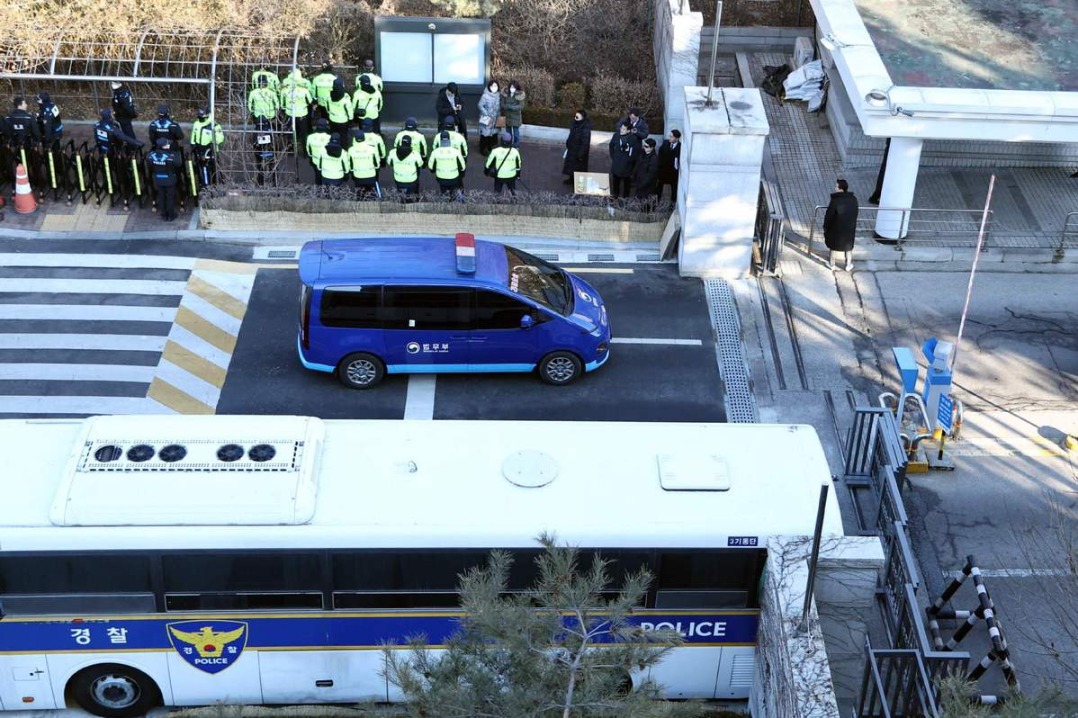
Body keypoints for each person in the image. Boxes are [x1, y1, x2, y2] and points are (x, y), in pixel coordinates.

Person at [823, 178, 859, 271]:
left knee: (833, 246)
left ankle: (832, 264)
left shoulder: (835, 201)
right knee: (848, 246)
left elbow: (829, 215)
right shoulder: (853, 199)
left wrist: (826, 226)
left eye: (836, 186)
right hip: (849, 227)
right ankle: (848, 264)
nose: (835, 187)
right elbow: (855, 211)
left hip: (836, 228)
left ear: (840, 189)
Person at [280, 68, 314, 155]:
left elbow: (282, 104)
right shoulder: (304, 90)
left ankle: (290, 151)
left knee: (290, 134)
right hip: (302, 115)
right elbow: (309, 102)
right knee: (304, 134)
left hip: (290, 114)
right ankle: (306, 152)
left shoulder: (284, 90)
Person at [147, 137, 181, 221]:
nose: (169, 145)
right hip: (170, 179)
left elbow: (149, 163)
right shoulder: (171, 156)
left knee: (161, 196)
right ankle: (171, 215)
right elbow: (178, 163)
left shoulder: (151, 155)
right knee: (170, 197)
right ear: (164, 146)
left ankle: (164, 215)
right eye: (167, 144)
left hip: (158, 179)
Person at [190, 107, 224, 187]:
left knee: (215, 170)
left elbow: (220, 138)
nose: (200, 118)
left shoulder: (214, 125)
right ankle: (206, 186)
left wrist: (211, 139)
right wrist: (193, 145)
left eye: (202, 117)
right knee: (203, 169)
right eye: (199, 116)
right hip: (199, 150)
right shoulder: (196, 124)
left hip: (211, 151)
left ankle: (216, 185)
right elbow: (193, 136)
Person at [427, 131, 466, 196]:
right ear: (449, 139)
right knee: (453, 193)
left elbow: (431, 168)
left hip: (441, 178)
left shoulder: (435, 152)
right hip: (454, 178)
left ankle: (446, 199)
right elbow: (462, 167)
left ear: (440, 140)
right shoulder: (456, 151)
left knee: (444, 193)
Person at [608, 120, 639, 199]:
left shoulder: (633, 139)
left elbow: (634, 152)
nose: (621, 130)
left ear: (628, 131)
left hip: (627, 164)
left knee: (626, 182)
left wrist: (629, 160)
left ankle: (625, 198)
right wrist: (613, 156)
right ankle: (615, 195)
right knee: (615, 180)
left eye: (624, 129)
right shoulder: (616, 135)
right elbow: (611, 146)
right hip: (617, 161)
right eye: (621, 128)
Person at [348, 128, 381, 198]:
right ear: (364, 138)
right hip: (371, 176)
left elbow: (350, 165)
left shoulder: (350, 150)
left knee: (359, 196)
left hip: (358, 176)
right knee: (373, 196)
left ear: (355, 139)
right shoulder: (372, 149)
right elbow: (377, 164)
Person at [485, 131, 521, 195]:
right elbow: (518, 166)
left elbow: (488, 165)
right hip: (511, 176)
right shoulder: (515, 151)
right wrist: (518, 175)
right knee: (513, 192)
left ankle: (496, 203)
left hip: (499, 176)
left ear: (501, 140)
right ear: (510, 141)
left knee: (497, 193)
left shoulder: (495, 151)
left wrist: (486, 172)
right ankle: (514, 203)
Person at [561, 109, 591, 184]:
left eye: (577, 117)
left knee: (578, 167)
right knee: (572, 166)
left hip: (579, 151)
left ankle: (577, 183)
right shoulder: (575, 124)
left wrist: (581, 154)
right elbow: (571, 135)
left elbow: (585, 142)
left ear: (582, 118)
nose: (575, 118)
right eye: (575, 116)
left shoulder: (585, 128)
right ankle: (571, 179)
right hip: (572, 149)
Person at [477, 79, 501, 157]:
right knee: (485, 134)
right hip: (487, 118)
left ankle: (491, 147)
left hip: (496, 118)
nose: (494, 87)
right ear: (489, 87)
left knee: (493, 133)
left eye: (495, 86)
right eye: (492, 86)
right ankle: (483, 149)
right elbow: (480, 105)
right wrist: (486, 114)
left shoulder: (498, 95)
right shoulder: (485, 95)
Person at [656, 129, 681, 202]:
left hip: (673, 173)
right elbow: (660, 154)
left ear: (676, 138)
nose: (669, 138)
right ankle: (656, 202)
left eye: (671, 137)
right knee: (659, 188)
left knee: (673, 189)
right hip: (663, 171)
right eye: (669, 136)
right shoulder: (666, 143)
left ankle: (672, 205)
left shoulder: (680, 147)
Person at [305, 118, 332, 185]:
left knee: (317, 177)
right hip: (326, 161)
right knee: (326, 177)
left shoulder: (310, 137)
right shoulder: (329, 137)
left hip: (315, 161)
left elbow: (308, 149)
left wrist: (311, 156)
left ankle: (318, 192)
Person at [326, 79, 352, 143]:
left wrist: (330, 113)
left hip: (332, 118)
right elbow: (349, 110)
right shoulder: (346, 97)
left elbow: (327, 107)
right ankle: (343, 149)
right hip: (343, 120)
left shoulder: (329, 95)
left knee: (333, 135)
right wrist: (351, 119)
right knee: (343, 136)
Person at [501, 80, 525, 149]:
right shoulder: (506, 94)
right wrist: (506, 106)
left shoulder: (520, 95)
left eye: (514, 87)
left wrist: (512, 107)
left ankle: (516, 145)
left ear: (517, 88)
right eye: (511, 87)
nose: (512, 89)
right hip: (508, 116)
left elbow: (521, 106)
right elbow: (502, 104)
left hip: (516, 117)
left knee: (516, 132)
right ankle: (508, 143)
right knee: (508, 132)